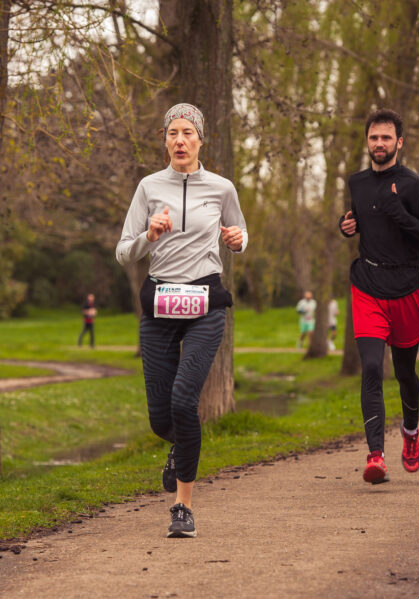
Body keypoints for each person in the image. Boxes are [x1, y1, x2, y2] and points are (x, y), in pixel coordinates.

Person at [116, 103, 248, 538]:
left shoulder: (222, 188)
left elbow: (240, 235)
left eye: (188, 132)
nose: (179, 140)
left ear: (200, 140)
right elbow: (123, 251)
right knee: (160, 417)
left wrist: (237, 239)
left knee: (183, 400)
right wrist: (147, 237)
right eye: (173, 132)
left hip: (205, 305)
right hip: (160, 305)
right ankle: (178, 446)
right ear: (165, 139)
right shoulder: (149, 187)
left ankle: (183, 507)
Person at [338, 108, 419, 483]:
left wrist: (399, 212)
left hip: (407, 288)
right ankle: (375, 455)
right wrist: (346, 225)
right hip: (368, 283)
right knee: (370, 367)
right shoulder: (357, 182)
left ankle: (411, 434)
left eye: (386, 138)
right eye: (373, 137)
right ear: (367, 141)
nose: (379, 144)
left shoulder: (414, 186)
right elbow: (360, 219)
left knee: (404, 372)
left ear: (399, 142)